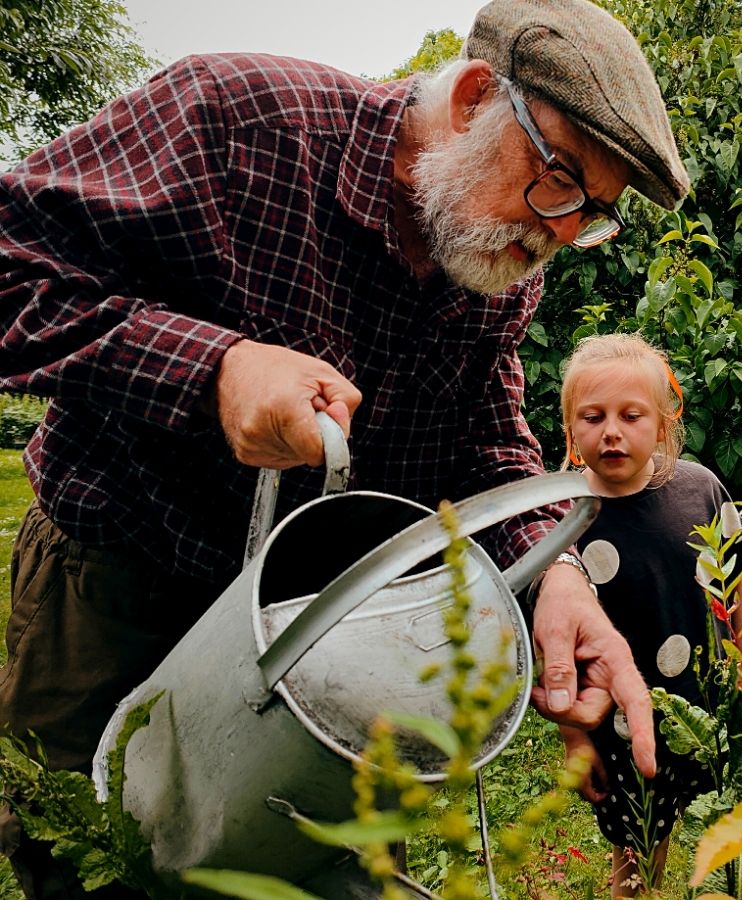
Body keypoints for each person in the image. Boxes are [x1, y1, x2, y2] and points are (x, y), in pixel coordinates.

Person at [0, 0, 691, 896]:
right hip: (122, 581)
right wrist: (214, 369)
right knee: (91, 862)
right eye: (560, 179)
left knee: (323, 871)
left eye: (591, 213)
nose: (560, 232)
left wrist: (553, 573)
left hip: (330, 626)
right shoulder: (237, 121)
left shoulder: (496, 257)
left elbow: (483, 441)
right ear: (478, 98)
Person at [554, 334, 742, 898]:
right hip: (620, 722)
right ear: (570, 429)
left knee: (724, 827)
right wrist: (575, 739)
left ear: (665, 424)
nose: (612, 431)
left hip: (708, 703)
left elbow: (736, 581)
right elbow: (555, 644)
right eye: (592, 417)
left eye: (631, 415)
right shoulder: (563, 515)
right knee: (639, 841)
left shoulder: (699, 490)